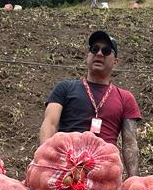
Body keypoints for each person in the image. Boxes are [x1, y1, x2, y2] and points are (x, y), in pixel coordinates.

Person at [40, 30, 141, 177]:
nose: (99, 53)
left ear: (115, 61)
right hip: (65, 168)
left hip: (104, 173)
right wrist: (45, 162)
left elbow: (130, 143)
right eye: (94, 49)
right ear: (87, 56)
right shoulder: (65, 88)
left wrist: (134, 180)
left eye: (106, 51)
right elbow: (50, 124)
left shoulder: (125, 98)